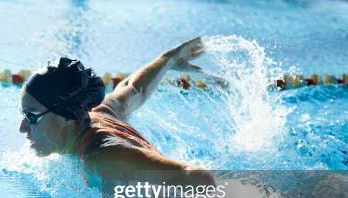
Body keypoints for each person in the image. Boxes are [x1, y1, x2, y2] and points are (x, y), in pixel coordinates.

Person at [19, 37, 215, 186]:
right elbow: (133, 88)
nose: (22, 128)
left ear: (66, 117)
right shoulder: (97, 113)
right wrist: (169, 59)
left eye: (31, 117)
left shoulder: (104, 158)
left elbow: (200, 179)